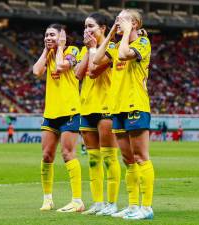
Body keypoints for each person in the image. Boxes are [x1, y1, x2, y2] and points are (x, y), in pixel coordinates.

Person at [94, 9, 154, 220]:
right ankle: (132, 205)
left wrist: (127, 32)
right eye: (116, 20)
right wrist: (111, 35)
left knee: (140, 157)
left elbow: (122, 55)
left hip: (135, 105)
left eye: (122, 19)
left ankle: (146, 207)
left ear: (135, 23)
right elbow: (97, 59)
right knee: (128, 159)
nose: (117, 22)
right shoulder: (116, 43)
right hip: (117, 108)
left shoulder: (143, 43)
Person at [33, 24, 84, 212]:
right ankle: (47, 199)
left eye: (52, 35)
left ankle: (77, 200)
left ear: (62, 36)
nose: (48, 37)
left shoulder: (73, 51)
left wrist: (60, 47)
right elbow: (36, 71)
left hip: (70, 110)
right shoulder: (48, 54)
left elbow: (62, 67)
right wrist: (46, 50)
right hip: (51, 112)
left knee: (68, 153)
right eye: (46, 35)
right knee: (46, 155)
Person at [75, 12, 121, 216]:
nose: (87, 30)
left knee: (109, 158)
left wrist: (93, 48)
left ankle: (112, 203)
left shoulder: (111, 48)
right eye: (85, 26)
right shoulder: (89, 49)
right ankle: (98, 202)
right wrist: (88, 49)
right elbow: (77, 74)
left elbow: (93, 70)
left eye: (91, 26)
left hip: (105, 107)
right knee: (93, 160)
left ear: (103, 28)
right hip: (86, 106)